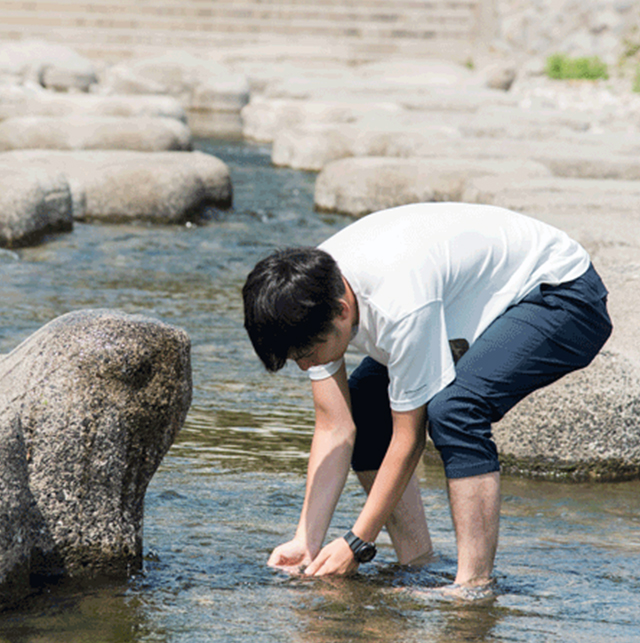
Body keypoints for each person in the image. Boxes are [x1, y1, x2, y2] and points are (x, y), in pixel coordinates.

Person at [242, 202, 612, 599]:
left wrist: (356, 542)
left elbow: (409, 439)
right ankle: (417, 565)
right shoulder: (305, 298)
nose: (305, 366)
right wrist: (305, 541)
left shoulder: (399, 303)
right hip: (472, 306)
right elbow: (336, 426)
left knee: (455, 410)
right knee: (365, 404)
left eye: (308, 354)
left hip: (562, 295)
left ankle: (473, 588)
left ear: (343, 311)